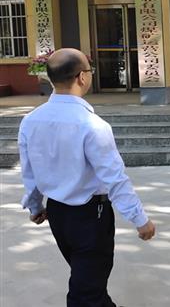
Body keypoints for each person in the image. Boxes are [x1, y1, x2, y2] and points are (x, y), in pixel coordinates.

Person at [18, 48, 156, 307]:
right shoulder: (92, 125)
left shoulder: (30, 121)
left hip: (57, 215)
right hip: (91, 217)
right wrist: (140, 219)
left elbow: (30, 172)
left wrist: (35, 206)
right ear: (82, 77)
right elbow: (115, 178)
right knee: (86, 293)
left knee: (89, 283)